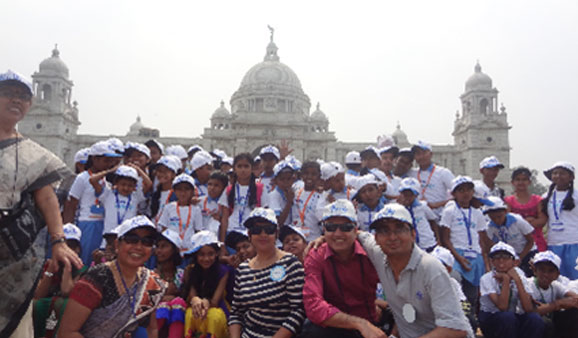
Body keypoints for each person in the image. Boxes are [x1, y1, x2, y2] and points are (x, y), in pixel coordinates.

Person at [0, 70, 82, 337]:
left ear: (30, 104)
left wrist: (58, 241)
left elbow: (46, 197)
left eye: (23, 96)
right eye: (8, 94)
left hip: (14, 259)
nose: (16, 101)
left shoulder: (34, 154)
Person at [358, 203, 473, 337]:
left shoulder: (430, 268)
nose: (392, 237)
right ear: (377, 238)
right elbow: (358, 235)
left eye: (400, 229)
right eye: (384, 231)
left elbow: (455, 329)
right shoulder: (379, 254)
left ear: (413, 234)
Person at [58, 216, 167, 337]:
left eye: (147, 242)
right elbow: (67, 332)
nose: (139, 246)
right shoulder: (96, 278)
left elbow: (151, 330)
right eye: (132, 239)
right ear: (117, 244)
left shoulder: (152, 283)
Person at [302, 199, 381, 338]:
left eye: (345, 227)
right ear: (323, 230)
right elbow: (313, 304)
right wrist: (359, 323)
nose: (338, 233)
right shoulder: (316, 255)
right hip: (336, 325)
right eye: (331, 227)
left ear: (355, 229)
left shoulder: (371, 251)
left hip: (372, 325)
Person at [229, 208, 305, 338]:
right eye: (257, 230)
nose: (263, 234)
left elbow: (298, 311)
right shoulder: (243, 270)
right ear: (249, 235)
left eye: (268, 230)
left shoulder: (290, 263)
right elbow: (236, 313)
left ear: (276, 233)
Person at [63, 140, 123, 264]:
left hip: (102, 224)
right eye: (106, 160)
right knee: (84, 258)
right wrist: (68, 230)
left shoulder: (105, 180)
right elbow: (71, 204)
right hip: (86, 223)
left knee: (97, 259)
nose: (109, 164)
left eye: (111, 161)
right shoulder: (82, 178)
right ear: (95, 159)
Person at [439, 176, 490, 319]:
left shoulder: (477, 213)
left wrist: (485, 263)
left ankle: (470, 322)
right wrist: (458, 258)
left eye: (468, 189)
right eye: (461, 190)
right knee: (456, 287)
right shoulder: (450, 211)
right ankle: (456, 320)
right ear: (454, 194)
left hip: (475, 256)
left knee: (472, 294)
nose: (465, 193)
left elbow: (482, 240)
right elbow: (446, 238)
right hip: (457, 255)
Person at [478, 241, 544, 338]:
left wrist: (517, 280)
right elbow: (502, 307)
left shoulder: (520, 274)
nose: (501, 261)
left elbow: (528, 308)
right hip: (492, 316)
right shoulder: (487, 278)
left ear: (514, 261)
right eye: (496, 257)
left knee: (534, 318)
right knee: (507, 317)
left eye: (505, 257)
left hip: (513, 316)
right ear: (492, 261)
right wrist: (506, 280)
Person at [33, 223, 88, 337]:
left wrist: (67, 266)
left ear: (78, 249)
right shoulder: (47, 265)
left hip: (66, 310)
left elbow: (66, 291)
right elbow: (38, 295)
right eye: (65, 245)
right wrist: (52, 268)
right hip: (44, 308)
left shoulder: (82, 269)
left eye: (72, 246)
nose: (67, 249)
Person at [182, 231, 230, 338]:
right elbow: (192, 295)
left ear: (216, 254)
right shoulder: (190, 271)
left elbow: (215, 301)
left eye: (210, 254)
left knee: (214, 315)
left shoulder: (223, 271)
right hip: (197, 309)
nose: (206, 259)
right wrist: (195, 300)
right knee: (190, 313)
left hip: (217, 309)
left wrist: (206, 302)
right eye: (201, 255)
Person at [89, 165, 150, 244]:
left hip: (128, 238)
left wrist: (138, 169)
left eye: (130, 185)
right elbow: (92, 180)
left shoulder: (136, 197)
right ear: (116, 183)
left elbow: (149, 184)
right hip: (109, 238)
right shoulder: (108, 194)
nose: (126, 188)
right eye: (123, 184)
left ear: (135, 186)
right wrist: (110, 171)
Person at [539, 161, 578, 279]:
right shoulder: (545, 196)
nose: (558, 176)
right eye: (555, 173)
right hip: (553, 243)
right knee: (555, 279)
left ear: (571, 177)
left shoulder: (576, 196)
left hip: (574, 242)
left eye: (562, 173)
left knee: (574, 277)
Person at [529, 251, 578, 338]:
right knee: (539, 320)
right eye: (542, 269)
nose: (546, 274)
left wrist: (554, 305)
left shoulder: (555, 285)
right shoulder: (528, 285)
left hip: (549, 322)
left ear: (557, 274)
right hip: (528, 324)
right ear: (535, 271)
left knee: (573, 313)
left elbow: (575, 300)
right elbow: (531, 311)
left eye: (551, 271)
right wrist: (558, 304)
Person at [483, 196, 536, 276]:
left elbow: (530, 241)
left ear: (505, 211)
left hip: (526, 252)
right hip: (508, 256)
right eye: (493, 218)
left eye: (499, 217)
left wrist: (520, 258)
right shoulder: (490, 227)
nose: (497, 220)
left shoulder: (517, 221)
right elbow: (488, 246)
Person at [157, 174, 203, 254]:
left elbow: (198, 230)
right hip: (171, 250)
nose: (183, 192)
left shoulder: (196, 209)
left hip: (189, 250)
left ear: (192, 191)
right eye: (179, 189)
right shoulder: (169, 207)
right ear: (174, 191)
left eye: (187, 189)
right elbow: (164, 228)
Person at [222, 153, 267, 235]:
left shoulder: (260, 189)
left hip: (252, 232)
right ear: (234, 169)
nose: (243, 170)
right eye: (239, 166)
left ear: (252, 168)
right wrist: (222, 242)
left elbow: (265, 214)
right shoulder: (229, 189)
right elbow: (225, 217)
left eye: (246, 166)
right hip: (232, 231)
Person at [504, 167, 547, 252]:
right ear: (512, 182)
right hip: (515, 244)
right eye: (518, 179)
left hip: (537, 242)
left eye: (524, 179)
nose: (521, 182)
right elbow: (506, 222)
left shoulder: (538, 200)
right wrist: (529, 221)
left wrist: (519, 222)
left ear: (529, 182)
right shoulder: (508, 201)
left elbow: (542, 220)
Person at [155, 229, 187, 338]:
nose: (159, 250)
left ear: (174, 250)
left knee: (178, 303)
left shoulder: (182, 275)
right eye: (158, 246)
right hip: (154, 321)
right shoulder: (151, 275)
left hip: (177, 317)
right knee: (164, 306)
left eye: (164, 246)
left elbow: (186, 297)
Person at [410, 140, 455, 215]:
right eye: (418, 154)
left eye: (424, 153)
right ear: (414, 157)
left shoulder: (443, 173)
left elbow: (459, 195)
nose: (421, 156)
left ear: (431, 154)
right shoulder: (411, 173)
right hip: (418, 217)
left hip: (439, 216)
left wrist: (437, 205)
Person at [397, 177, 440, 252]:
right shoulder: (398, 209)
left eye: (410, 195)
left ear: (416, 195)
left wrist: (438, 239)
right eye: (405, 194)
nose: (407, 197)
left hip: (427, 243)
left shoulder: (422, 207)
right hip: (410, 247)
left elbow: (433, 221)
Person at [291, 161, 323, 241]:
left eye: (313, 174)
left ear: (319, 176)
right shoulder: (295, 192)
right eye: (306, 173)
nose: (309, 177)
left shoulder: (322, 195)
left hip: (314, 238)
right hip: (296, 238)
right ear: (301, 175)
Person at [151, 155, 181, 223]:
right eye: (159, 171)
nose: (161, 174)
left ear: (173, 174)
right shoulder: (156, 194)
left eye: (165, 171)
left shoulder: (178, 194)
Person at [269, 160, 297, 226]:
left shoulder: (295, 191)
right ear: (275, 180)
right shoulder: (274, 195)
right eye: (282, 179)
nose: (286, 182)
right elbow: (278, 222)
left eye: (289, 179)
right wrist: (289, 202)